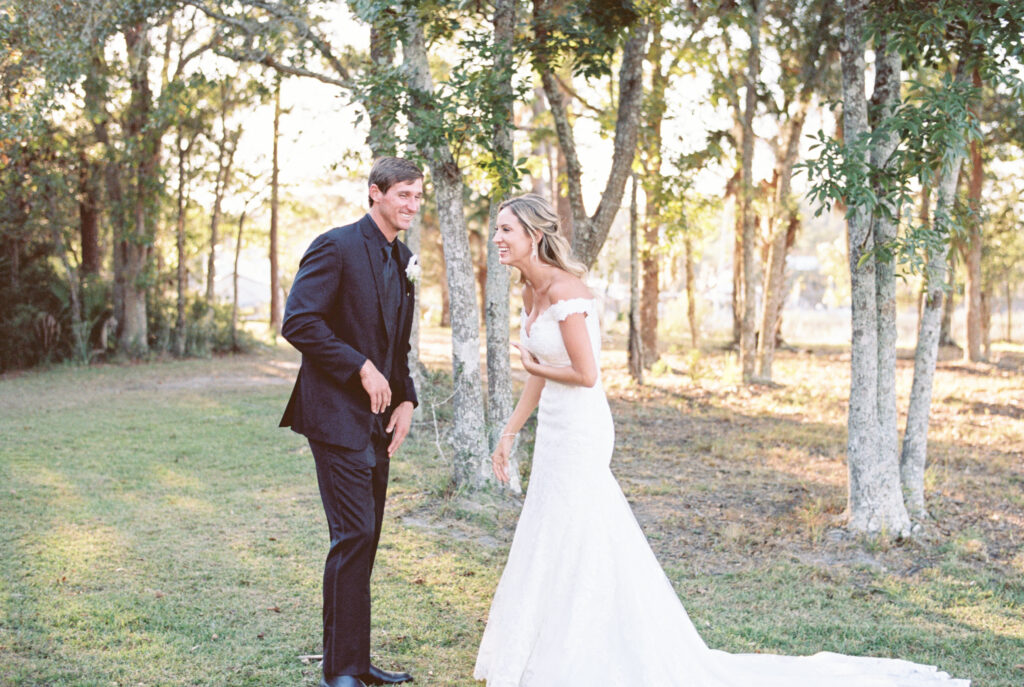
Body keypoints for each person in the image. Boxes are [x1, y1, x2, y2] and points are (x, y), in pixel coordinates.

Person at [474, 193, 969, 687]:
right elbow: (539, 374)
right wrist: (509, 433)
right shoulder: (528, 293)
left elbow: (584, 374)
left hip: (582, 430)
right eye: (497, 230)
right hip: (555, 431)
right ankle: (548, 642)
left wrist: (533, 365)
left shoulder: (565, 293)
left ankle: (593, 649)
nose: (497, 239)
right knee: (551, 526)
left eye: (505, 231)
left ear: (534, 235)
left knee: (579, 527)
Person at [280, 157, 422, 687]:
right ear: (375, 194)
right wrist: (360, 367)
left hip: (380, 421)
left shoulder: (404, 257)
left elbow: (397, 343)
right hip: (334, 415)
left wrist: (405, 398)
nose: (410, 205)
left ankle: (355, 664)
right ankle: (339, 672)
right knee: (353, 533)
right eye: (402, 195)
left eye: (416, 196)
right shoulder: (335, 245)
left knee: (367, 538)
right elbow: (298, 321)